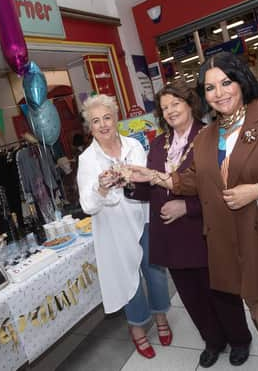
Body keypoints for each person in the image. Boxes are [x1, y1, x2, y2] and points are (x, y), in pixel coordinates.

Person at [130, 53, 258, 371]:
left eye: (226, 82)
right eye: (210, 87)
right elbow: (192, 181)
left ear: (241, 81)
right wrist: (155, 177)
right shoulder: (207, 137)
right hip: (227, 241)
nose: (220, 92)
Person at [128, 86, 252, 367]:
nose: (170, 110)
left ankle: (239, 338)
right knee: (191, 295)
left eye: (176, 103)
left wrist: (187, 206)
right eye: (165, 107)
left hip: (203, 230)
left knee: (221, 290)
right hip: (170, 237)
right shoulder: (159, 144)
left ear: (189, 104)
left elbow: (223, 187)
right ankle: (213, 340)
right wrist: (129, 185)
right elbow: (150, 189)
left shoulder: (210, 137)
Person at [76, 94, 171, 359]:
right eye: (96, 121)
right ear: (90, 127)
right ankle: (138, 329)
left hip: (144, 221)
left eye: (107, 117)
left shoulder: (134, 145)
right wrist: (101, 188)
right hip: (115, 231)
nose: (103, 124)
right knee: (128, 281)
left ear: (116, 117)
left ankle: (161, 317)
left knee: (155, 274)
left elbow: (148, 181)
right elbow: (87, 205)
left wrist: (134, 181)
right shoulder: (87, 160)